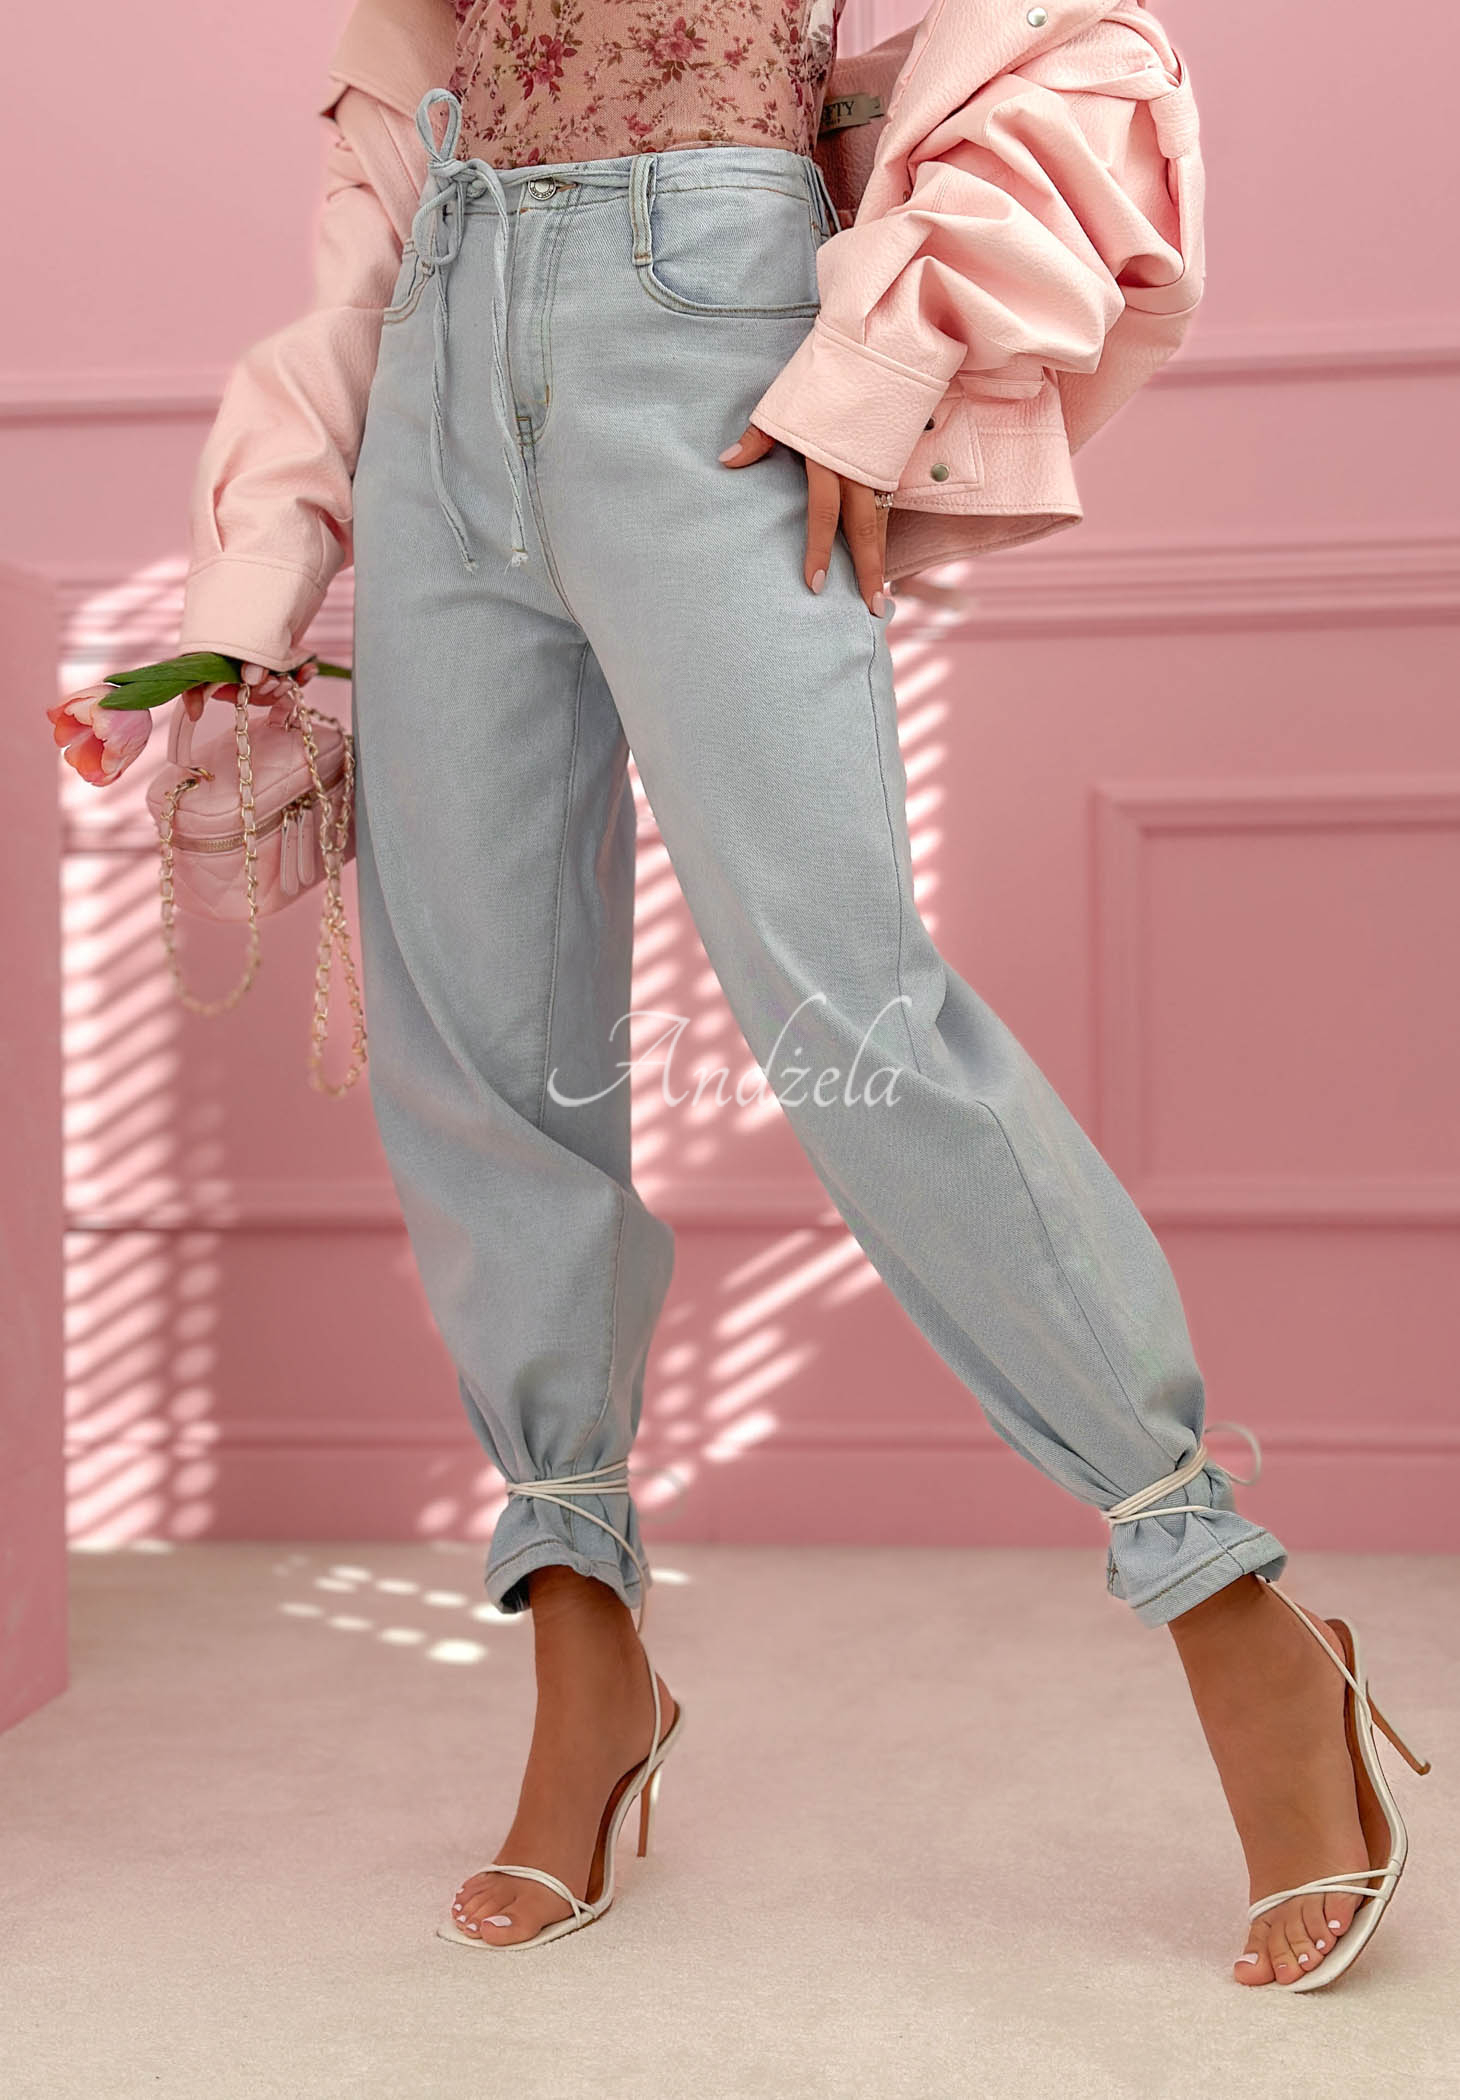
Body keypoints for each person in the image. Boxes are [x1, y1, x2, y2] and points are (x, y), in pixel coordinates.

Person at [167, 0, 1430, 1983]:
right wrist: (255, 580)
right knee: (476, 1048)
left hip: (717, 338)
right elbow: (380, 188)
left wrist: (877, 364)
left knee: (847, 1015)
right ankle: (586, 1657)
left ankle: (1231, 1604)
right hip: (441, 360)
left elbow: (1051, 42)